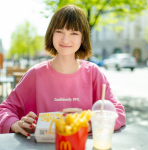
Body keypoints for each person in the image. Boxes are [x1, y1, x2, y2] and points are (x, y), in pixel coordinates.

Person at [0, 5, 126, 137]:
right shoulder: (35, 74)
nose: (65, 39)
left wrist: (87, 123)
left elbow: (118, 112)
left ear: (82, 38)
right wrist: (14, 124)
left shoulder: (93, 73)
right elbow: (4, 109)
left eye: (74, 33)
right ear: (51, 33)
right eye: (59, 31)